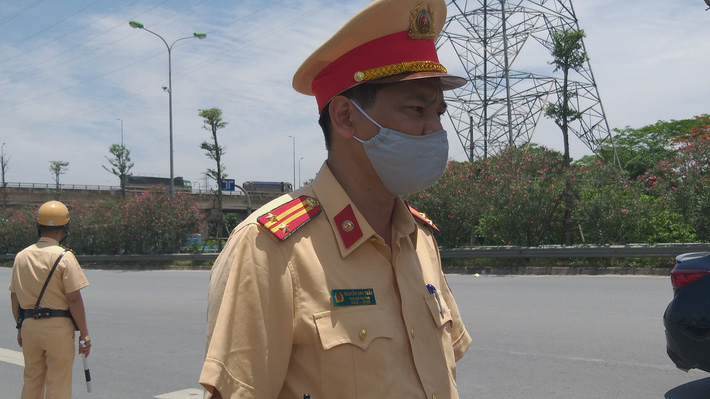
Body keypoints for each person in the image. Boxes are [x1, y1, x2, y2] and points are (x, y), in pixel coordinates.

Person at [200, 0, 471, 397]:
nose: (435, 131)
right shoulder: (270, 251)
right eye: (417, 109)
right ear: (345, 117)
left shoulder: (418, 239)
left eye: (440, 113)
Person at [9, 200, 92, 399]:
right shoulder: (64, 256)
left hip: (30, 327)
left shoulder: (21, 256)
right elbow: (73, 298)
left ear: (39, 226)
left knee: (32, 379)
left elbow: (15, 296)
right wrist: (85, 335)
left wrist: (20, 326)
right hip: (58, 328)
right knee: (58, 383)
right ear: (66, 228)